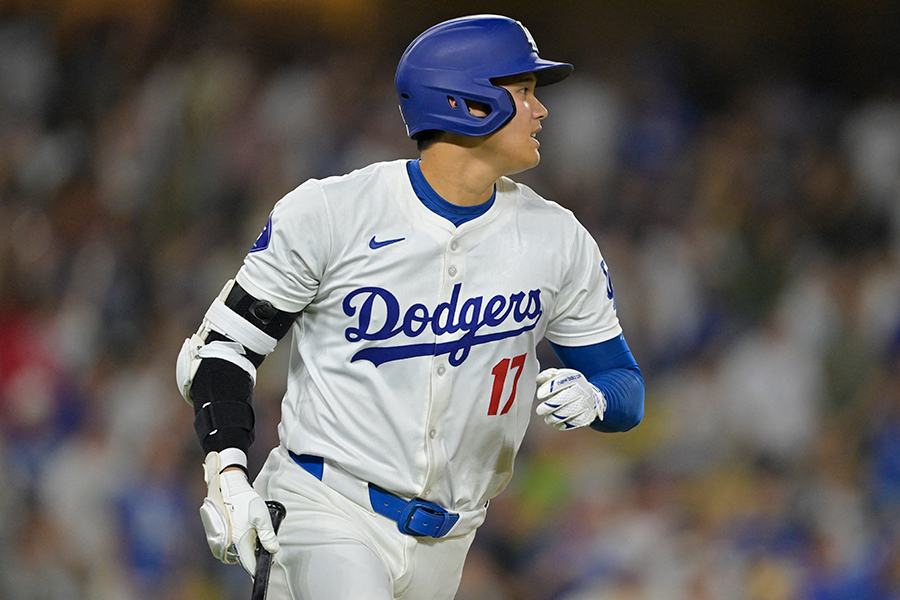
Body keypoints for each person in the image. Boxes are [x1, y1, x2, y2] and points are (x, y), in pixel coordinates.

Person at [176, 14, 644, 600]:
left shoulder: (558, 238)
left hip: (452, 538)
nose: (541, 110)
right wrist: (227, 474)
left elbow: (627, 387)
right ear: (469, 103)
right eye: (524, 91)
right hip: (326, 508)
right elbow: (222, 350)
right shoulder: (332, 211)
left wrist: (596, 397)